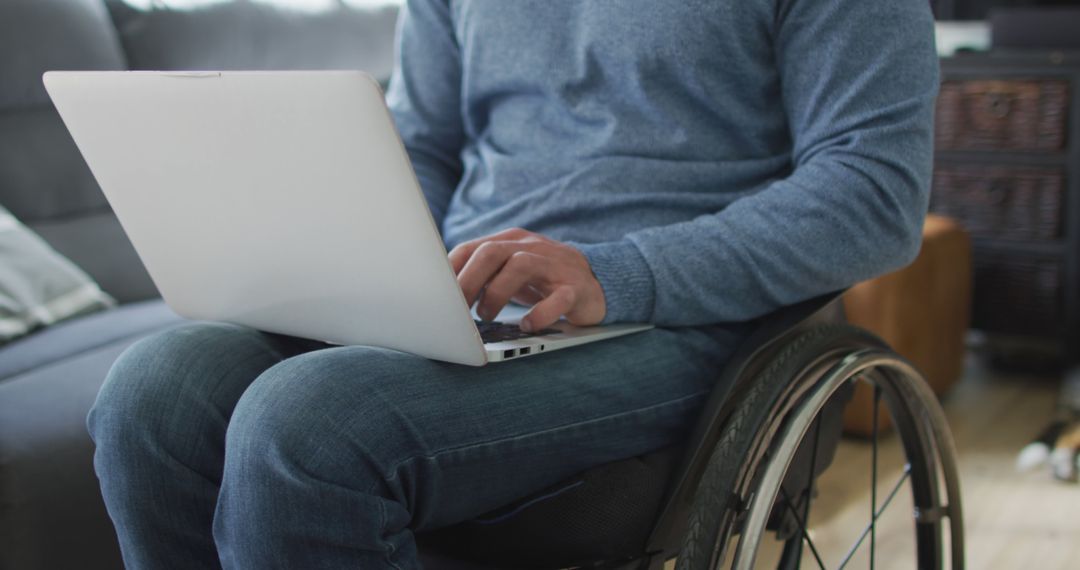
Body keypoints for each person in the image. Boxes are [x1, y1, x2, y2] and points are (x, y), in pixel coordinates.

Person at [87, 0, 939, 567]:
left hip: (683, 316)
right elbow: (425, 142)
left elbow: (874, 191)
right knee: (154, 392)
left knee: (308, 423)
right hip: (468, 294)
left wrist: (617, 272)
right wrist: (358, 260)